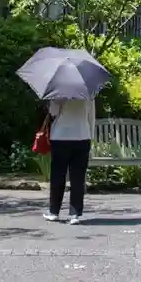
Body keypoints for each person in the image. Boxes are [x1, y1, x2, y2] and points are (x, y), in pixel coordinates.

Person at [44, 94, 95, 225]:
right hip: (82, 135)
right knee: (78, 177)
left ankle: (54, 212)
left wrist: (56, 102)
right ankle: (74, 214)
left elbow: (53, 112)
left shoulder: (58, 92)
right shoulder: (88, 92)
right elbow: (91, 116)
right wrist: (91, 136)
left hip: (60, 136)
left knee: (57, 175)